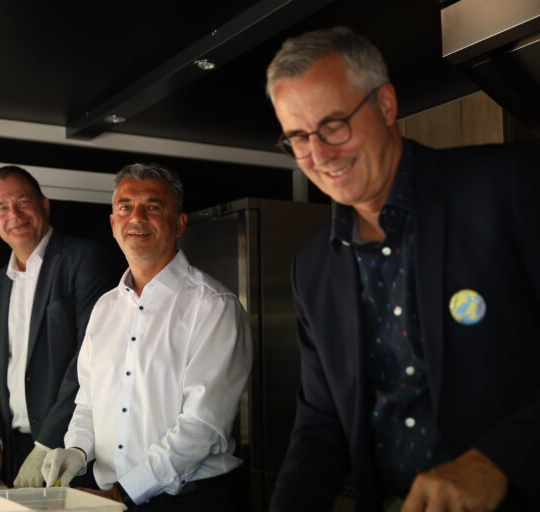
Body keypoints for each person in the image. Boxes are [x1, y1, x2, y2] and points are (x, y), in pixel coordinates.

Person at [265, 26, 540, 511]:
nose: (320, 155)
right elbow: (321, 425)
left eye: (333, 125)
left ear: (386, 104)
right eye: (298, 138)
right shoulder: (312, 267)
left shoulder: (511, 184)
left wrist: (498, 460)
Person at [40, 163, 252, 511]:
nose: (136, 217)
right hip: (109, 496)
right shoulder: (105, 308)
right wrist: (76, 450)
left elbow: (203, 425)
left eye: (153, 206)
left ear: (179, 223)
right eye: (125, 207)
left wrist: (123, 493)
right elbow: (88, 403)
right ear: (113, 223)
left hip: (188, 502)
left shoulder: (213, 306)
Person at [0, 165, 119, 487]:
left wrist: (47, 443)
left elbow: (91, 359)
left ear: (45, 205)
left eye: (23, 202)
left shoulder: (86, 260)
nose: (14, 214)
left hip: (70, 450)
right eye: (1, 208)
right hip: (12, 451)